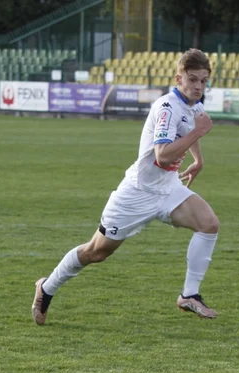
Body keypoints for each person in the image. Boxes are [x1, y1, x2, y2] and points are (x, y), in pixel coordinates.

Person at [32, 48, 222, 324]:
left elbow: (192, 127)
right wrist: (198, 132)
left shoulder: (195, 106)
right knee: (96, 252)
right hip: (137, 192)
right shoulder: (166, 107)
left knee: (209, 224)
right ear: (178, 78)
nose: (198, 86)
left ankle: (189, 295)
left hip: (168, 188)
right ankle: (46, 287)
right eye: (192, 79)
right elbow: (163, 154)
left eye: (203, 81)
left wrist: (198, 160)